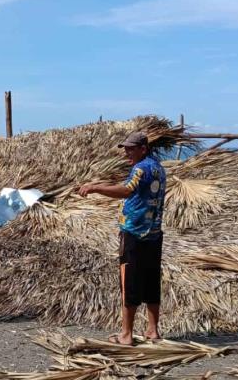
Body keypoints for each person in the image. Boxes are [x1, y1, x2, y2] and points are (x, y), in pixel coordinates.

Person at [78, 131, 166, 344]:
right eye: (125, 148)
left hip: (135, 232)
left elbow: (127, 190)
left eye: (131, 148)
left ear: (143, 149)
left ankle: (126, 335)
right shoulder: (158, 168)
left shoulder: (140, 168)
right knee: (151, 280)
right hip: (154, 232)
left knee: (130, 282)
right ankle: (152, 331)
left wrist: (96, 187)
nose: (127, 152)